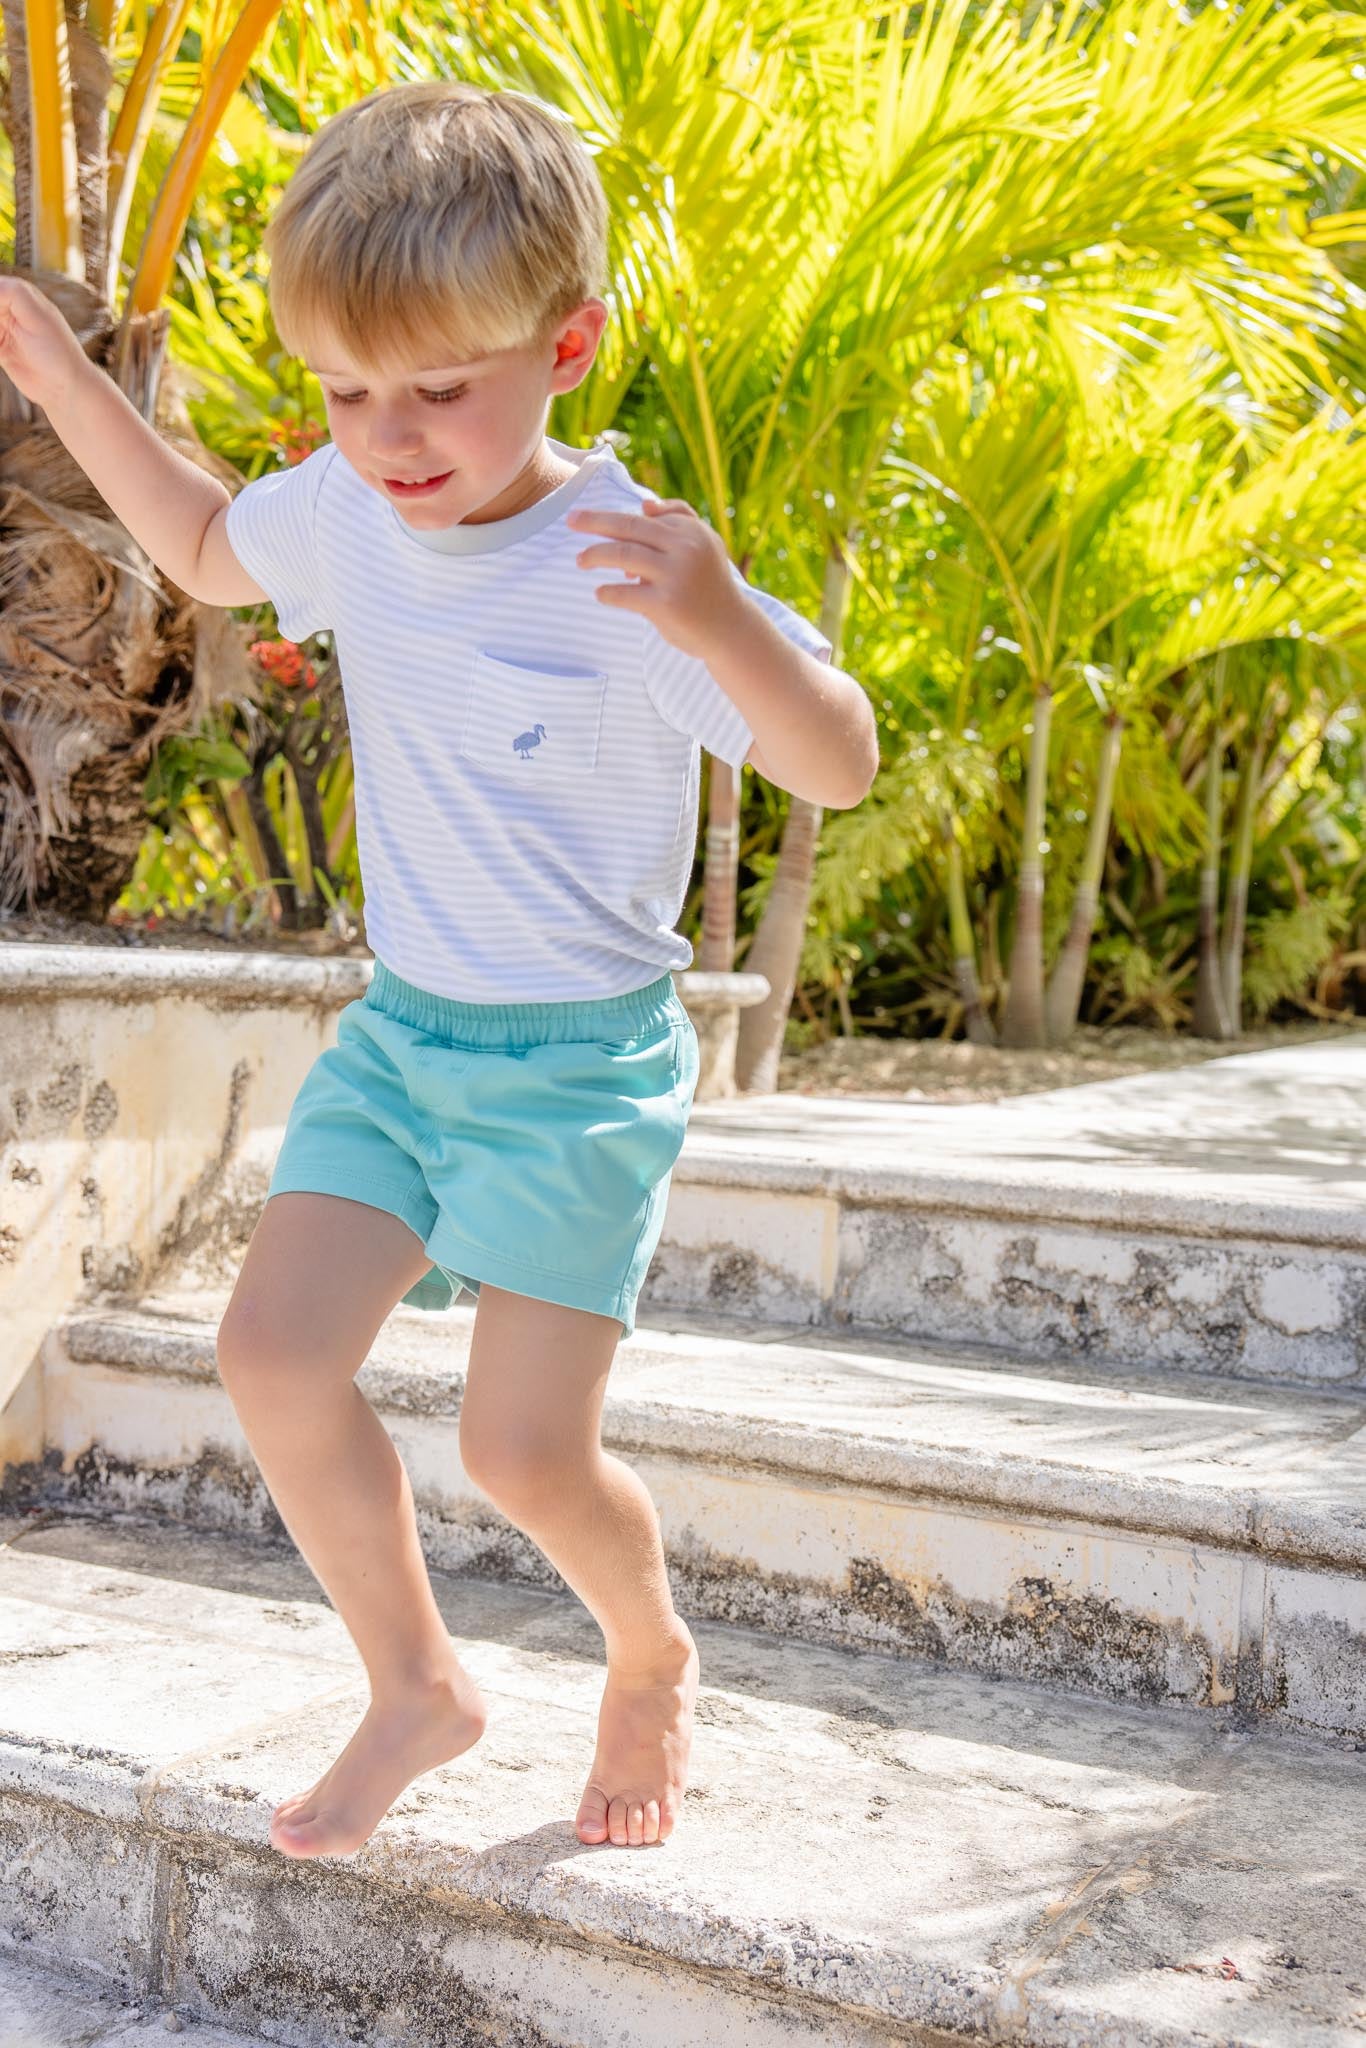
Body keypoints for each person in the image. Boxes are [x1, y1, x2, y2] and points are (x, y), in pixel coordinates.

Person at [0, 80, 877, 1858]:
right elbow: (204, 550)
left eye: (437, 391)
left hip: (578, 1071)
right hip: (405, 1040)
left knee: (523, 1456)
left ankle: (648, 1651)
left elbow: (837, 761)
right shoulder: (352, 508)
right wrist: (65, 382)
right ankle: (418, 1686)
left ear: (568, 346)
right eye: (344, 392)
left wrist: (722, 620)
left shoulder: (631, 566)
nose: (386, 438)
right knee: (271, 1356)